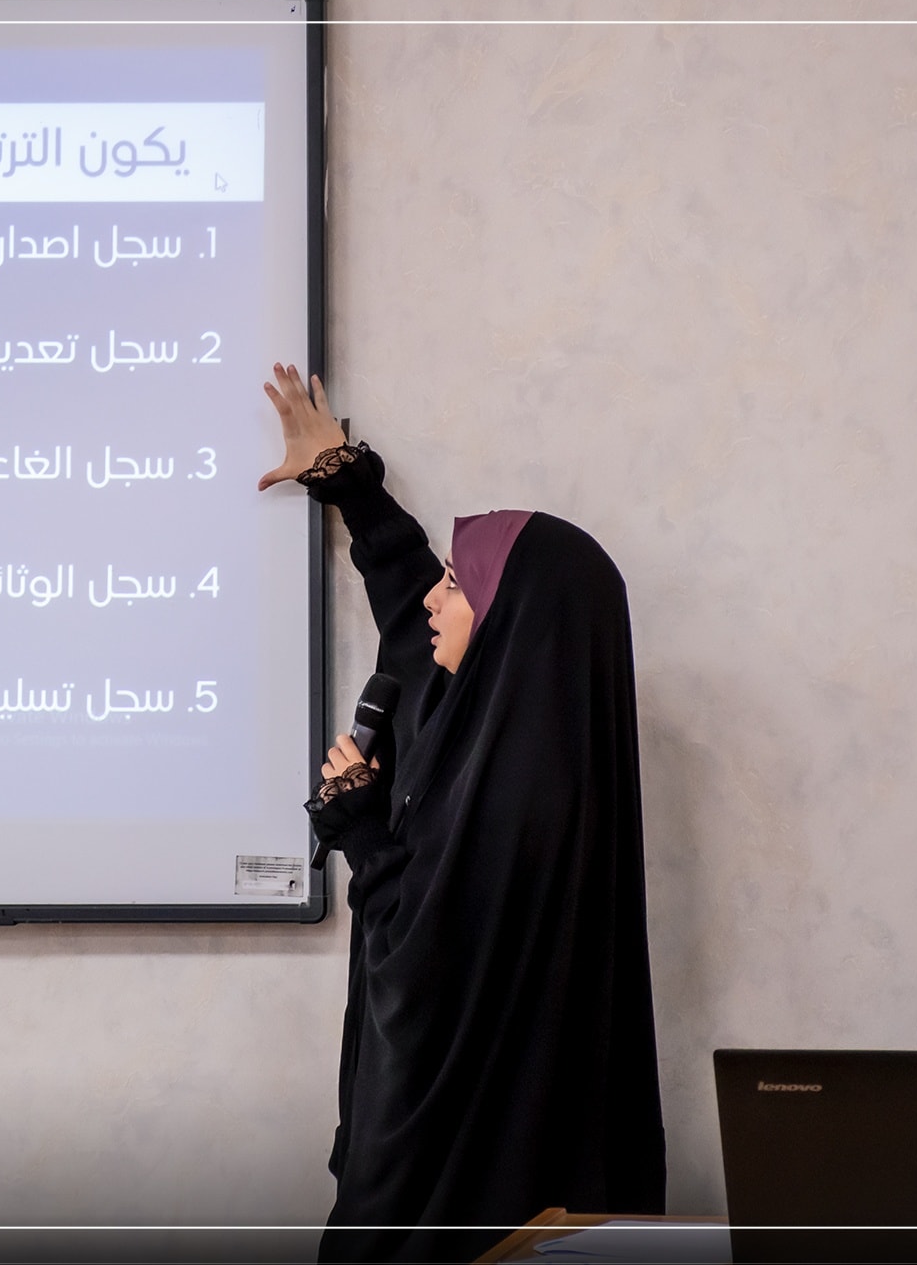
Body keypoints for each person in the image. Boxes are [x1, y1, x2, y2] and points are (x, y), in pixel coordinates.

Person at [258, 364, 667, 1263]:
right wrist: (345, 480)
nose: (435, 597)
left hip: (464, 1174)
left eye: (457, 582)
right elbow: (413, 613)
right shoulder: (485, 718)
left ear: (508, 617)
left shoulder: (520, 795)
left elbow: (423, 973)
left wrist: (364, 834)